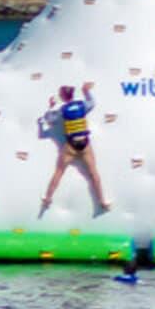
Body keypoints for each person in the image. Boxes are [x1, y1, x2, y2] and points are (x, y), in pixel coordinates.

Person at [40, 82, 111, 212]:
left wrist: (50, 107)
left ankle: (47, 199)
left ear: (63, 97)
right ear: (72, 94)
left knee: (59, 172)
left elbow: (49, 119)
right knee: (94, 173)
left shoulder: (62, 110)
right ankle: (102, 201)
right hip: (85, 145)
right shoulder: (82, 105)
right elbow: (93, 103)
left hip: (70, 147)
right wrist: (86, 91)